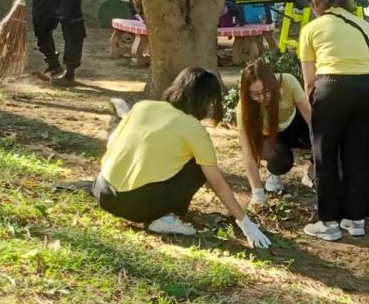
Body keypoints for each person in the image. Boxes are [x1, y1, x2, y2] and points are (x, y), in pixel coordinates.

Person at [93, 66, 271, 249]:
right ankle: (164, 217)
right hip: (132, 206)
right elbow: (217, 183)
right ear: (205, 101)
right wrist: (245, 223)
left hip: (101, 190)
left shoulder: (142, 107)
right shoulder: (194, 129)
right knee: (199, 166)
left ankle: (156, 209)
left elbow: (112, 143)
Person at [299, 0, 369, 241]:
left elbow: (309, 80)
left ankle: (328, 223)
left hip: (331, 87)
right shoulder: (364, 25)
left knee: (325, 158)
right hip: (367, 89)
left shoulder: (311, 29)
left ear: (316, 2)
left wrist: (311, 112)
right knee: (358, 156)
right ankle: (355, 220)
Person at [236, 60, 314, 208]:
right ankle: (274, 173)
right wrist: (257, 193)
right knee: (281, 161)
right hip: (268, 136)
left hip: (293, 125)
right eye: (255, 95)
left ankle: (311, 173)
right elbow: (247, 153)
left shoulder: (288, 81)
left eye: (266, 92)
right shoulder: (243, 108)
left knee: (324, 133)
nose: (262, 98)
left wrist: (317, 161)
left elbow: (311, 119)